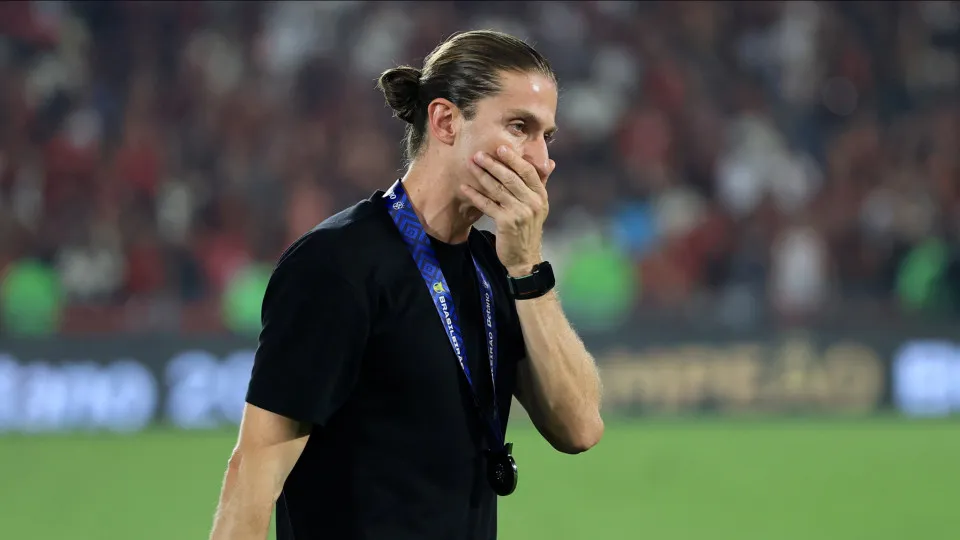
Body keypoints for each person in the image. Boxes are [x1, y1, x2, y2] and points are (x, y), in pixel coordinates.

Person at [209, 29, 604, 540]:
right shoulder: (336, 265)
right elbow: (253, 473)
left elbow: (579, 427)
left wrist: (528, 268)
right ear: (445, 121)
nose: (542, 161)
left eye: (546, 136)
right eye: (519, 127)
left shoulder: (496, 269)